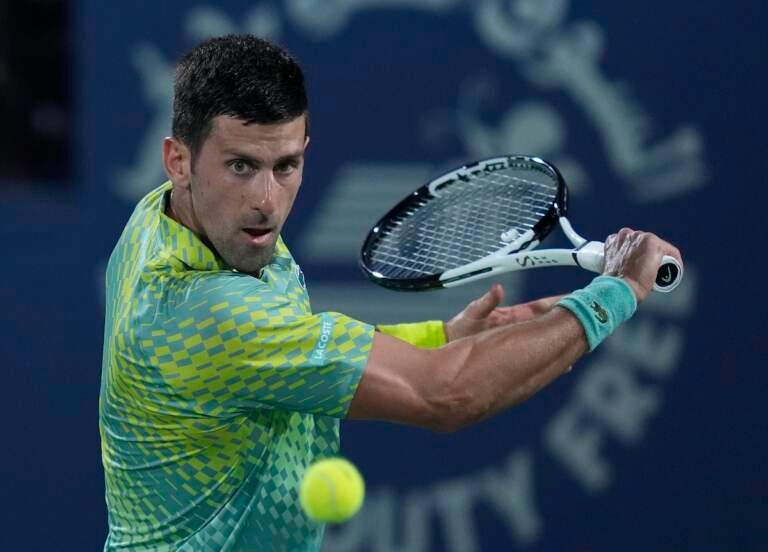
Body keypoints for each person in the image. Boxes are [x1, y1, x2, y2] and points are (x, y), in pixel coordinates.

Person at [99, 35, 682, 551]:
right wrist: (616, 293)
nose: (267, 200)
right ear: (179, 160)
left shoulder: (162, 218)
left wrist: (441, 336)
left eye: (286, 165)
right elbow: (445, 396)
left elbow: (287, 356)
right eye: (241, 166)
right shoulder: (208, 311)